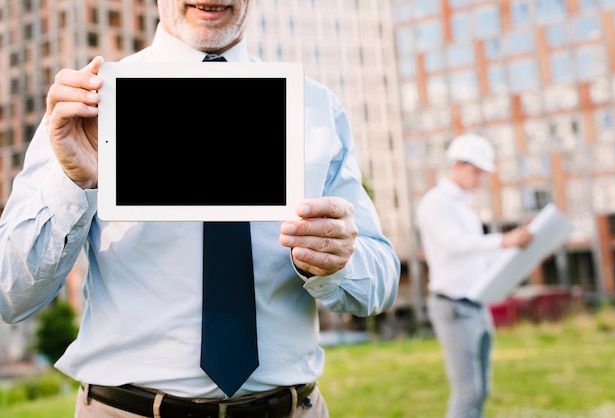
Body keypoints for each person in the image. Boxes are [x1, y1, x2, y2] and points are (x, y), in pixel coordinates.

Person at [0, 1, 400, 417]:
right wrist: (71, 184)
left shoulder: (316, 107)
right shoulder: (87, 104)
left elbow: (382, 280)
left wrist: (339, 261)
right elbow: (11, 294)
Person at [417, 133, 533, 418]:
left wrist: (518, 251)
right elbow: (453, 244)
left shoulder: (463, 207)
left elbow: (477, 255)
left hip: (476, 303)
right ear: (458, 164)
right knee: (467, 392)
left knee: (481, 390)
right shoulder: (436, 202)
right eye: (476, 172)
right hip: (454, 305)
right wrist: (503, 241)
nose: (479, 180)